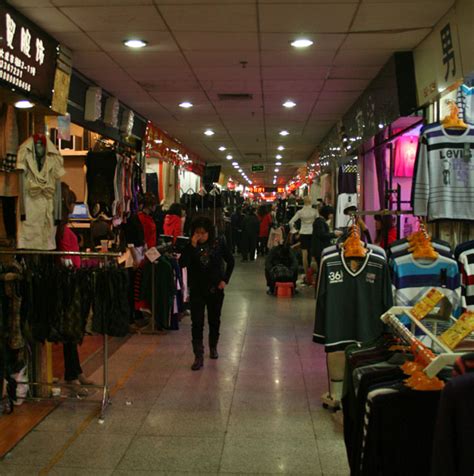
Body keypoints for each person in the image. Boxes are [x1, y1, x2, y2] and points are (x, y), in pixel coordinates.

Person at [180, 216, 235, 370]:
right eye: (197, 233)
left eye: (203, 233)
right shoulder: (190, 246)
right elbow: (182, 263)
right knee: (197, 322)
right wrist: (191, 246)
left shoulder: (218, 244)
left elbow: (230, 261)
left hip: (215, 289)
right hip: (197, 289)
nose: (201, 236)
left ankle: (213, 347)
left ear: (209, 232)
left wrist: (225, 280)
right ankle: (198, 355)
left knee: (214, 320)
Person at [56, 182, 94, 396]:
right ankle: (72, 375)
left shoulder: (64, 229)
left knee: (73, 331)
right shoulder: (59, 231)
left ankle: (75, 371)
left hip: (73, 281)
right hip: (67, 283)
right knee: (70, 331)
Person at [289, 196, 318, 277]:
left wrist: (294, 231)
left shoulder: (300, 212)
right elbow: (319, 221)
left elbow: (290, 222)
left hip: (303, 233)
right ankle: (313, 275)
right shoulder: (315, 211)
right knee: (313, 254)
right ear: (311, 201)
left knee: (304, 255)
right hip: (312, 233)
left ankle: (306, 274)